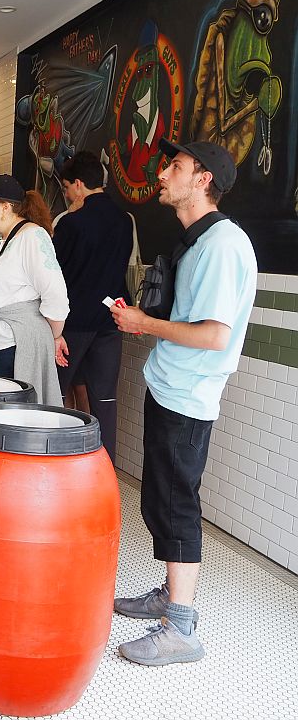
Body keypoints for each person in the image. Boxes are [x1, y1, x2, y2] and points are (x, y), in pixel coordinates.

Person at [111, 140, 256, 666]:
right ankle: (171, 596)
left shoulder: (221, 244)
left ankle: (182, 626)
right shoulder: (196, 241)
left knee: (176, 504)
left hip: (189, 396)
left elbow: (215, 335)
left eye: (176, 166)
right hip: (170, 385)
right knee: (160, 498)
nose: (164, 172)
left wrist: (143, 324)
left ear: (202, 180)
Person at [0, 175, 68, 405]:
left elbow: (55, 295)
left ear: (6, 207)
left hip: (13, 343)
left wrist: (55, 336)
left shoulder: (32, 236)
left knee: (8, 412)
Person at [53, 152, 134, 461]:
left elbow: (54, 273)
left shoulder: (72, 223)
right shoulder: (124, 221)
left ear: (77, 184)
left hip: (73, 323)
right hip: (111, 319)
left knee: (57, 394)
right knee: (105, 398)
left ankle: (61, 460)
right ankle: (105, 468)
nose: (67, 194)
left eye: (66, 187)